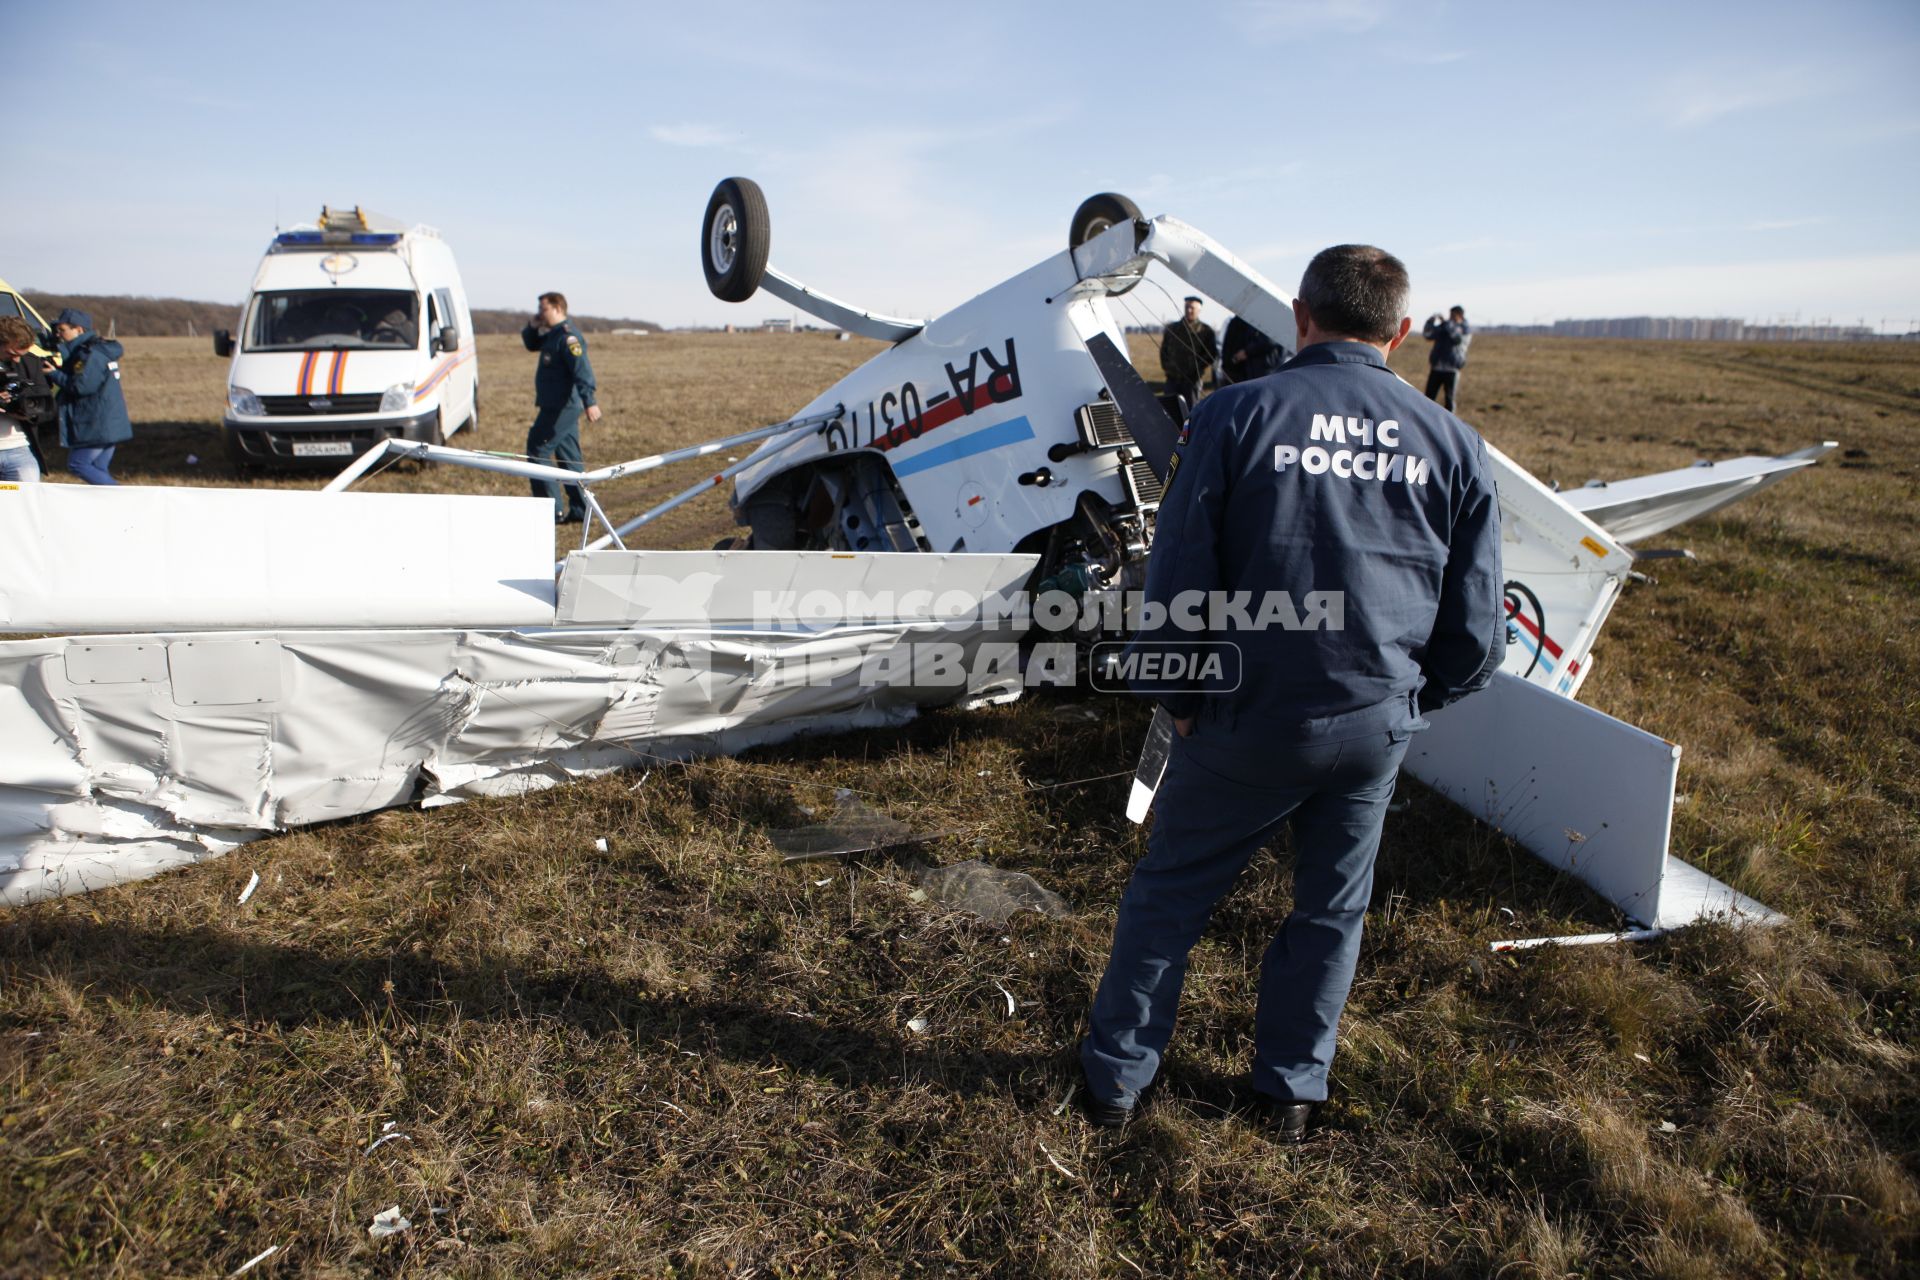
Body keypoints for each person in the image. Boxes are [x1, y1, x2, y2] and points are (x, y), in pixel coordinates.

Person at [1080, 245, 1505, 1141]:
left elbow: (1179, 570)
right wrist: (1410, 704)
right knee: (1330, 911)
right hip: (1372, 725)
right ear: (1399, 332)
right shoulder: (1455, 443)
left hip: (1243, 715)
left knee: (1170, 895)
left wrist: (1179, 693)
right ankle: (1290, 1093)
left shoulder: (1236, 414)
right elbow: (1476, 629)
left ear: (1301, 319)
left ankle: (1116, 1086)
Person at [521, 291, 601, 524]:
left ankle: (550, 510)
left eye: (543, 309)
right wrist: (532, 325)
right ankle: (580, 509)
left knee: (537, 450)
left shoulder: (568, 337)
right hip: (554, 405)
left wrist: (590, 401)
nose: (539, 313)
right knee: (569, 460)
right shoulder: (552, 334)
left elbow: (581, 369)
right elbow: (531, 343)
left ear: (557, 308)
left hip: (561, 407)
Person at [45, 309, 131, 485]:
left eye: (62, 330)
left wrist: (54, 374)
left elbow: (82, 386)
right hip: (107, 421)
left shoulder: (90, 354)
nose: (59, 335)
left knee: (78, 464)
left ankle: (123, 499)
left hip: (96, 422)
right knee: (98, 469)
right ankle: (110, 506)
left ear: (79, 329)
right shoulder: (93, 349)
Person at [0, 316, 49, 482]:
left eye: (22, 354)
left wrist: (29, 413)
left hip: (19, 451)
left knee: (24, 504)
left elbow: (48, 405)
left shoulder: (29, 363)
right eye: (11, 353)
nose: (16, 360)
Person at [1159, 295, 1218, 408]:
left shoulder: (1206, 331)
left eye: (1192, 308)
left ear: (1199, 310)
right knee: (1169, 409)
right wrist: (1168, 367)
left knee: (1192, 410)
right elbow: (1164, 351)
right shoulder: (1172, 328)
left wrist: (1196, 369)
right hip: (1172, 379)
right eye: (1187, 307)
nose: (1189, 310)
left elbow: (1211, 354)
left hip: (1192, 381)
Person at [1422, 305, 1471, 411]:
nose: (1450, 318)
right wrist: (1430, 322)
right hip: (1437, 367)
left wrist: (1446, 323)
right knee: (1428, 398)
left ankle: (1450, 423)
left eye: (1453, 315)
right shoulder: (1445, 326)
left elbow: (1456, 339)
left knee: (1449, 399)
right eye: (1450, 315)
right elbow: (1428, 335)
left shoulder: (1464, 328)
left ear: (1460, 316)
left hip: (1452, 368)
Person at [1219, 315, 1284, 385]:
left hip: (1263, 370)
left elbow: (1270, 339)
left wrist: (1247, 352)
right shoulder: (1240, 320)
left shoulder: (1273, 319)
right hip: (1245, 369)